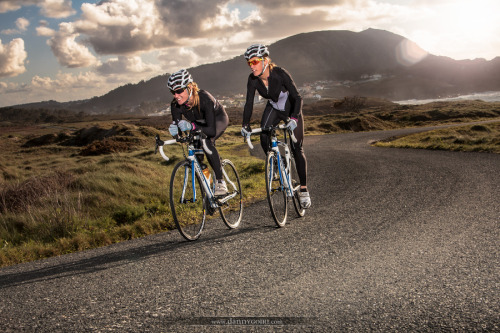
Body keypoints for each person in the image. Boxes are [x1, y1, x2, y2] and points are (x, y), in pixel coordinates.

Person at [240, 44, 311, 209]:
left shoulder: (280, 73)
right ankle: (277, 165)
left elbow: (298, 97)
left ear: (265, 60)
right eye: (248, 63)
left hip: (290, 109)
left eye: (255, 61)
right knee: (264, 135)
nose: (251, 66)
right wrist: (245, 125)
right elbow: (249, 103)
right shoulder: (252, 80)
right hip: (273, 108)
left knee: (296, 148)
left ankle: (304, 190)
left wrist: (294, 118)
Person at [167, 69, 229, 196]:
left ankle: (220, 182)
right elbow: (180, 133)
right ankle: (208, 190)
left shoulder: (205, 98)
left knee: (206, 141)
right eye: (173, 92)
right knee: (196, 154)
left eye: (179, 91)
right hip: (199, 124)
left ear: (189, 87)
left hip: (217, 120)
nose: (176, 95)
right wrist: (175, 133)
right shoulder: (175, 105)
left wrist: (191, 126)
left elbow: (211, 130)